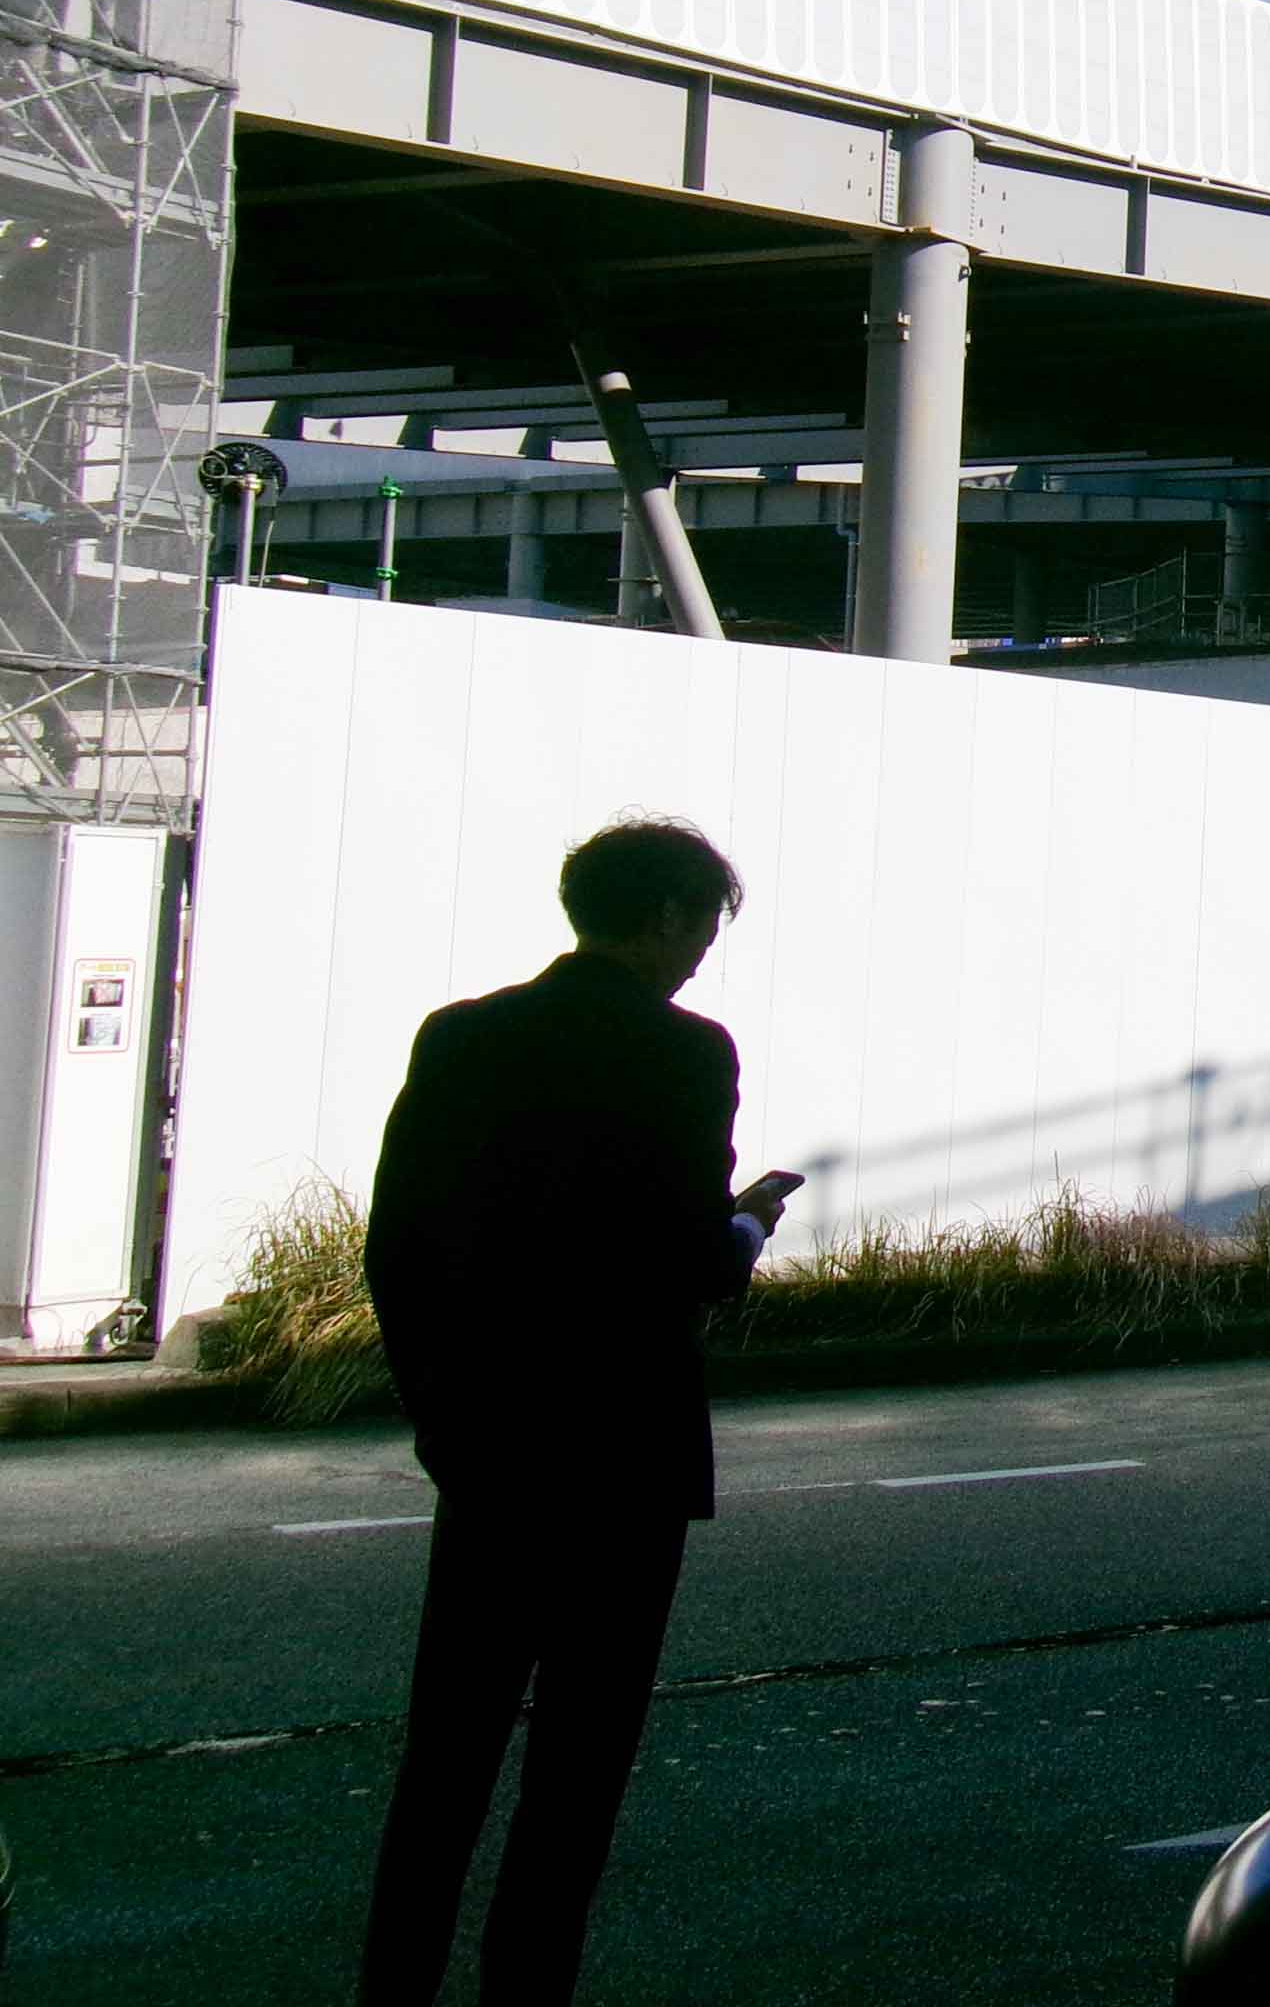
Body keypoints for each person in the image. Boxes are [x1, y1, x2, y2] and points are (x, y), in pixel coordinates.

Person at [357, 815, 787, 2006]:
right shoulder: (685, 1053)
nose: (703, 949)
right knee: (576, 1768)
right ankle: (523, 1990)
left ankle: (390, 1990)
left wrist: (441, 1418)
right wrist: (749, 1221)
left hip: (489, 1453)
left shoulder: (463, 1038)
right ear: (661, 919)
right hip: (624, 1459)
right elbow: (688, 1258)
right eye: (701, 923)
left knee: (445, 1760)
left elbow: (399, 1248)